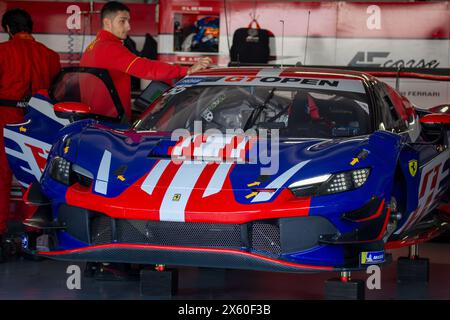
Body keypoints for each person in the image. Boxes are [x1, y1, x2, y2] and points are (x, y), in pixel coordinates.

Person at [80, 1, 211, 121]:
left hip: (96, 118)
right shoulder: (110, 48)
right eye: (122, 21)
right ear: (107, 22)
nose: (128, 27)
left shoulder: (93, 47)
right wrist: (187, 70)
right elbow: (147, 69)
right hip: (110, 122)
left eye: (128, 21)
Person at [0, 8, 61, 252]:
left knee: (1, 177)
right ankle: (35, 239)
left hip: (5, 117)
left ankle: (1, 237)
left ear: (7, 29)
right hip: (39, 121)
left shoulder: (2, 52)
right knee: (34, 176)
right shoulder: (51, 56)